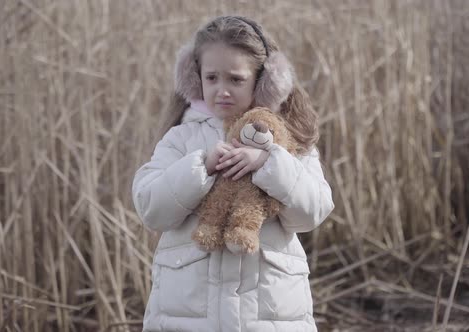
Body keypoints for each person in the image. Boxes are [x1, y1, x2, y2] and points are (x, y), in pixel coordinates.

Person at [132, 15, 334, 332]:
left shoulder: (288, 141)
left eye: (236, 80)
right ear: (195, 78)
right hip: (189, 320)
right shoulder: (181, 140)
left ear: (266, 81)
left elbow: (313, 212)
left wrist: (270, 163)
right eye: (212, 78)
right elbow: (151, 209)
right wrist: (201, 166)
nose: (222, 90)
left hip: (268, 320)